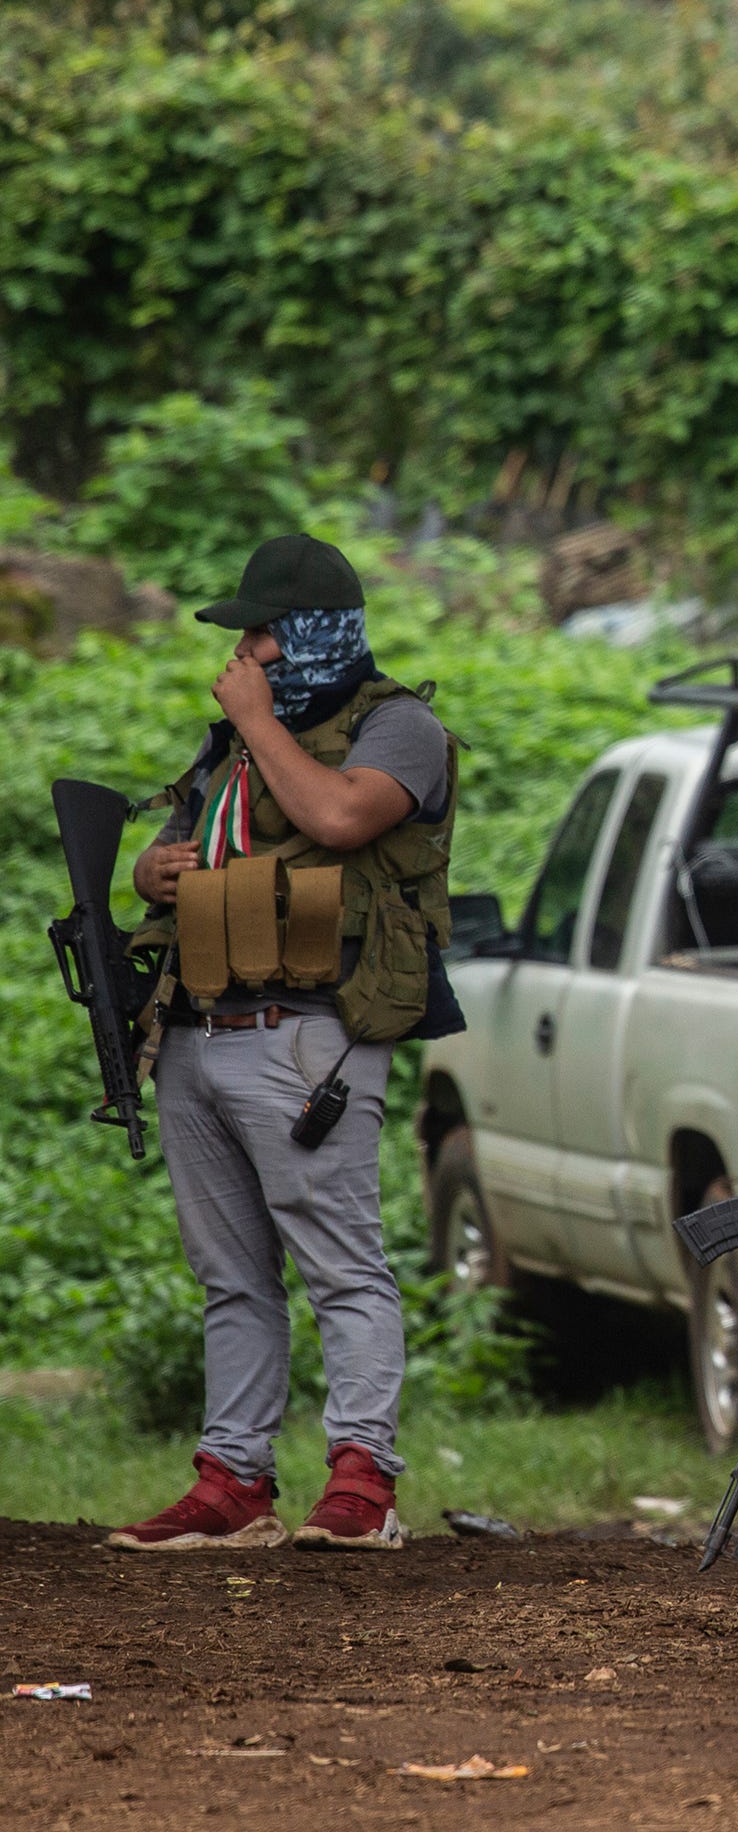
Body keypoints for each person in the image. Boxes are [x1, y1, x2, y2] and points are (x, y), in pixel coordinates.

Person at [105, 534, 461, 1554]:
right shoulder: (237, 740)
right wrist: (151, 873)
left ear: (307, 633)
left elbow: (344, 816)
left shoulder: (398, 725)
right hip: (201, 1025)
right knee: (231, 1272)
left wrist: (258, 723)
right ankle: (233, 1479)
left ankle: (363, 1479)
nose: (246, 651)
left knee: (343, 1263)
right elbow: (173, 838)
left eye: (260, 631)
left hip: (313, 1032)